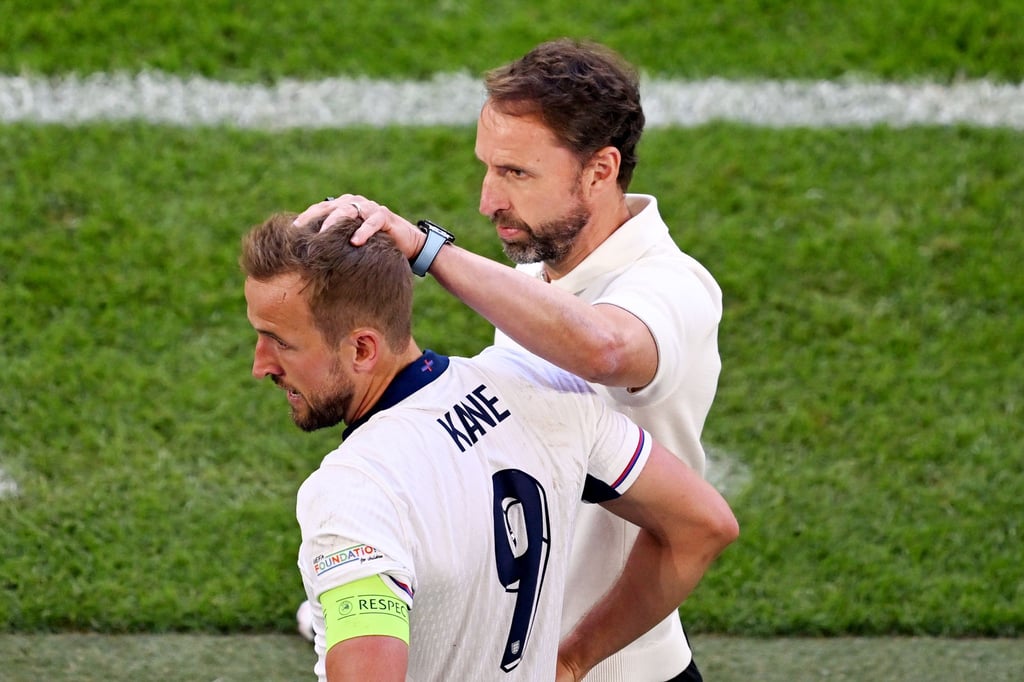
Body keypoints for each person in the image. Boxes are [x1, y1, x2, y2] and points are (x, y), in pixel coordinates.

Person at [296, 38, 724, 682]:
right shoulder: (531, 293)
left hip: (617, 667)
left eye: (517, 174)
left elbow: (605, 347)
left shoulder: (671, 287)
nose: (487, 200)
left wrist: (575, 656)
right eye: (488, 168)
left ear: (600, 170)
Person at [241, 212, 737, 682]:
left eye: (279, 341)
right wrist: (573, 660)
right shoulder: (541, 389)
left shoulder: (353, 492)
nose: (260, 365)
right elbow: (702, 526)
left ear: (363, 349)